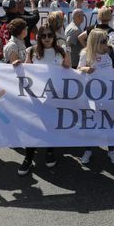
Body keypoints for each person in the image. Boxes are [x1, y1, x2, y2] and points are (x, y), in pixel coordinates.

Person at [19, 25, 70, 175]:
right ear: (39, 38)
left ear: (54, 37)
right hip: (36, 96)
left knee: (50, 124)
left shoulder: (60, 51)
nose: (47, 38)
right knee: (32, 126)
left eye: (49, 35)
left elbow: (68, 69)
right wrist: (19, 62)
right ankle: (28, 158)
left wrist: (67, 55)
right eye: (43, 36)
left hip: (54, 96)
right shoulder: (32, 51)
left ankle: (49, 151)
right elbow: (27, 70)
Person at [78, 29, 114, 165]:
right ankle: (88, 150)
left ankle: (111, 150)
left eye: (106, 40)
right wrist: (86, 69)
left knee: (109, 122)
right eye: (102, 41)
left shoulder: (110, 51)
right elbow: (79, 68)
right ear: (95, 42)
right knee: (91, 122)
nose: (106, 43)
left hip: (109, 94)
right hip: (91, 95)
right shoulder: (86, 53)